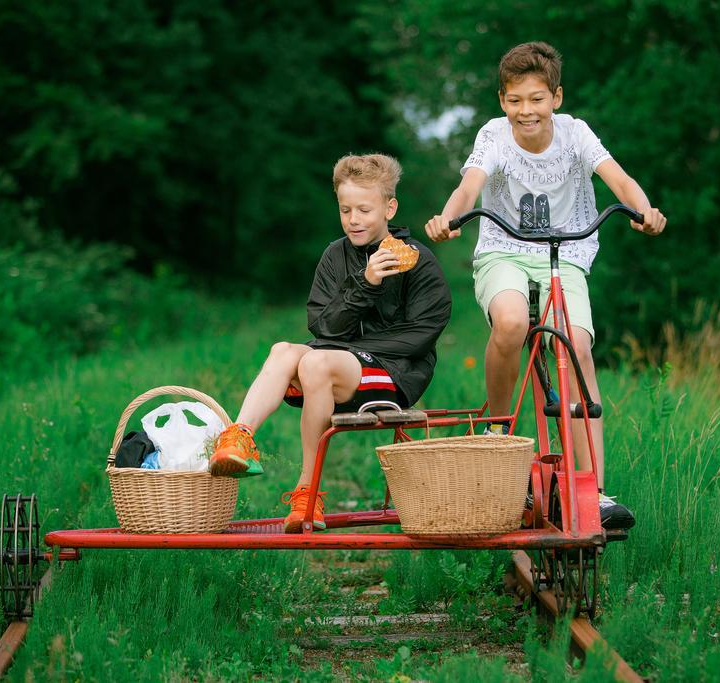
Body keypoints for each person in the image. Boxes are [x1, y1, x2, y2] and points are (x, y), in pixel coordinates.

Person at [424, 42, 666, 530]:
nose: (525, 110)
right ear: (501, 101)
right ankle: (498, 427)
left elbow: (618, 179)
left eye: (536, 99)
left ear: (556, 97)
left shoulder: (575, 133)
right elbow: (470, 186)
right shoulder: (494, 135)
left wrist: (645, 210)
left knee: (576, 348)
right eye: (515, 100)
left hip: (566, 254)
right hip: (504, 250)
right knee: (511, 321)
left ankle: (592, 490)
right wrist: (449, 219)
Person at [210, 153, 452, 534]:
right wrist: (365, 283)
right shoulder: (335, 255)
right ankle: (237, 438)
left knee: (315, 363)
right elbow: (322, 325)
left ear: (390, 208)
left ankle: (308, 491)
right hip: (341, 361)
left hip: (398, 373)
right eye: (345, 210)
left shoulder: (418, 261)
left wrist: (357, 346)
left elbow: (423, 333)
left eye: (364, 210)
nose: (353, 219)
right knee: (282, 351)